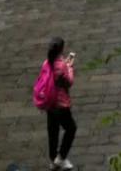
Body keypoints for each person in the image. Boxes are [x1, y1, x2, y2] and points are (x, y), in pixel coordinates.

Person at [45, 37, 78, 171]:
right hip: (60, 104)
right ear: (61, 49)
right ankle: (61, 157)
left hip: (49, 103)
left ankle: (53, 160)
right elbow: (69, 81)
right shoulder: (61, 65)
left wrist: (64, 64)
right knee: (71, 128)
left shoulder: (47, 63)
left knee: (53, 132)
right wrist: (69, 67)